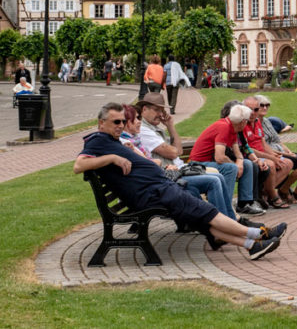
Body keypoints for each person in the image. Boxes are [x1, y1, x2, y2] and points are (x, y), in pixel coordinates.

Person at [75, 102, 284, 259]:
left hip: (159, 188)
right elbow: (79, 165)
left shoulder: (112, 141)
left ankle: (251, 245)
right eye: (116, 122)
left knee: (200, 215)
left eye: (122, 121)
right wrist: (113, 157)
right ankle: (259, 234)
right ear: (101, 123)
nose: (121, 125)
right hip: (154, 194)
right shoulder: (98, 141)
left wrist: (128, 152)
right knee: (204, 211)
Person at [137, 93, 242, 222]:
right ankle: (223, 222)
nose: (160, 113)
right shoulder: (144, 130)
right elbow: (173, 153)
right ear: (144, 109)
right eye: (156, 110)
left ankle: (229, 220)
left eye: (162, 110)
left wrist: (170, 126)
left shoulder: (154, 128)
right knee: (215, 179)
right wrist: (172, 150)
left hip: (179, 171)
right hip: (170, 176)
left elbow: (178, 150)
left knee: (220, 175)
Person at [188, 104, 262, 216]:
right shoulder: (224, 127)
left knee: (247, 164)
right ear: (243, 122)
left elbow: (236, 148)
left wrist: (240, 160)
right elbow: (220, 158)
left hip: (209, 163)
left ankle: (244, 204)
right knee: (230, 168)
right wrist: (236, 165)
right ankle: (225, 207)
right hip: (198, 164)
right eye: (246, 121)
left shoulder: (231, 125)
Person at [255, 95, 297, 203]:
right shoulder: (255, 123)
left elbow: (277, 140)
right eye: (262, 105)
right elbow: (263, 146)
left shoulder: (266, 121)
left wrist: (288, 151)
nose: (265, 108)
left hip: (280, 150)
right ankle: (283, 190)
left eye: (267, 105)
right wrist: (285, 154)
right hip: (272, 152)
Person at [240, 96, 293, 209]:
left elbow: (263, 144)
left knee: (288, 163)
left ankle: (264, 192)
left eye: (256, 109)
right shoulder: (242, 124)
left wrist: (274, 155)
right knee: (271, 164)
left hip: (263, 154)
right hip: (250, 157)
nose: (253, 112)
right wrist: (272, 158)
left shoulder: (257, 122)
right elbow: (247, 149)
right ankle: (273, 196)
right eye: (250, 109)